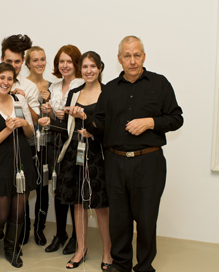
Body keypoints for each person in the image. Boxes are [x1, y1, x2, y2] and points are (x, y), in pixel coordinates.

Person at [70, 36, 183, 272]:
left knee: (146, 219)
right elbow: (100, 124)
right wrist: (85, 120)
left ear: (144, 56)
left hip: (149, 162)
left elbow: (176, 118)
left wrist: (151, 122)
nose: (132, 61)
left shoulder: (160, 84)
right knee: (119, 220)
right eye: (127, 56)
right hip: (115, 163)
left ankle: (143, 267)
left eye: (137, 55)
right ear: (119, 59)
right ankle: (120, 265)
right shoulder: (109, 89)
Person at [39, 51, 112, 270]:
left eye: (93, 66)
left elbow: (108, 128)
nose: (89, 71)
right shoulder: (74, 92)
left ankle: (107, 253)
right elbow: (68, 127)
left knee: (100, 205)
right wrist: (50, 121)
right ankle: (81, 249)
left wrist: (86, 120)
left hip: (98, 153)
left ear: (100, 68)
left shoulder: (108, 93)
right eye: (86, 67)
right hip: (73, 152)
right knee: (78, 203)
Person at [0, 63, 37, 269]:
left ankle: (12, 249)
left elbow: (29, 134)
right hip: (1, 167)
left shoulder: (19, 100)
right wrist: (7, 129)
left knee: (19, 212)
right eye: (2, 78)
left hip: (22, 164)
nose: (5, 82)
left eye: (10, 79)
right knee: (1, 214)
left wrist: (25, 125)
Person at [42, 45, 85, 255]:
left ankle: (78, 238)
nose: (65, 65)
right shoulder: (54, 86)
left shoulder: (83, 85)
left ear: (76, 63)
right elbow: (52, 118)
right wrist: (47, 111)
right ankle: (60, 234)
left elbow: (79, 117)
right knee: (58, 190)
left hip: (75, 144)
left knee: (73, 192)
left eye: (69, 61)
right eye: (61, 61)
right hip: (54, 143)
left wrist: (64, 117)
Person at [23, 46, 52, 246]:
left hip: (46, 144)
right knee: (23, 188)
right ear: (27, 63)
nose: (39, 63)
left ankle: (39, 229)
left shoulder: (52, 86)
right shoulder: (21, 86)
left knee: (42, 187)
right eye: (35, 60)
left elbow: (57, 117)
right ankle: (24, 227)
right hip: (27, 144)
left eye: (42, 59)